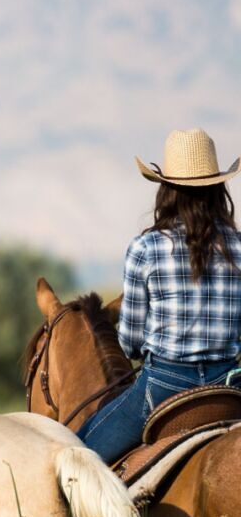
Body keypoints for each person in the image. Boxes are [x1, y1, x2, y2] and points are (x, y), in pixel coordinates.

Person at [78, 128, 241, 465]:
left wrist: (139, 352)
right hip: (231, 385)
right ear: (218, 187)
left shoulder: (146, 248)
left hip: (164, 385)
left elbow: (132, 339)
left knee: (77, 458)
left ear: (166, 190)